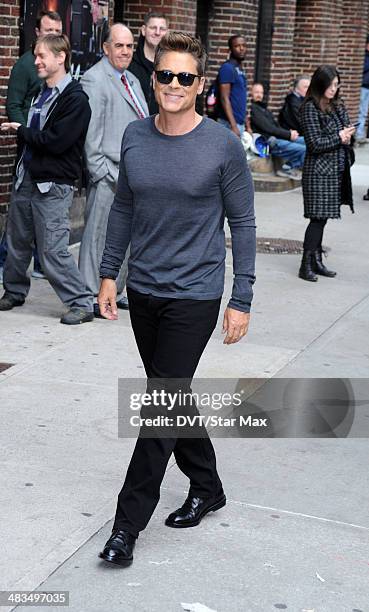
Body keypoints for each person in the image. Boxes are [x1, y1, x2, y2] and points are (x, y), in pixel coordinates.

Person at [97, 31, 256, 567]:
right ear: (154, 78)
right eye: (165, 75)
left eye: (185, 77)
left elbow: (244, 223)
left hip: (196, 293)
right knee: (175, 397)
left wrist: (242, 296)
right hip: (144, 290)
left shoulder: (221, 145)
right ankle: (208, 486)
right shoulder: (136, 138)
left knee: (158, 408)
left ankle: (126, 526)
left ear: (200, 84)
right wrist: (108, 274)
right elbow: (123, 208)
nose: (173, 84)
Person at [0, 34, 94, 325]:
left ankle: (81, 302)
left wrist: (21, 130)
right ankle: (14, 291)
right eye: (36, 55)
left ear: (60, 57)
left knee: (52, 248)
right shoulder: (41, 93)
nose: (36, 61)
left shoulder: (76, 100)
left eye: (41, 56)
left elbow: (56, 141)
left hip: (52, 185)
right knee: (16, 241)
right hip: (27, 177)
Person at [79, 23, 148, 317]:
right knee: (97, 237)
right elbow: (91, 133)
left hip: (130, 175)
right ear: (106, 48)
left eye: (130, 46)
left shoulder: (131, 79)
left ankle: (114, 291)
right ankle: (88, 295)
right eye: (119, 45)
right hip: (108, 173)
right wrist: (100, 171)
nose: (126, 51)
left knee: (123, 238)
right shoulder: (95, 79)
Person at [3, 10, 63, 281]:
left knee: (40, 206)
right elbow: (13, 105)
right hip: (30, 145)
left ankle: (40, 264)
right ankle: (7, 262)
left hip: (49, 145)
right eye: (47, 30)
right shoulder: (26, 65)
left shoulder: (61, 65)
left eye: (57, 31)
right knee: (22, 208)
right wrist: (25, 132)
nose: (52, 35)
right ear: (37, 32)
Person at [298, 65, 355, 282]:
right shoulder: (310, 108)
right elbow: (314, 143)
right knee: (317, 219)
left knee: (323, 218)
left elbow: (344, 130)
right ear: (321, 84)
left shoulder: (336, 105)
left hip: (336, 171)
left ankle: (317, 260)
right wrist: (339, 137)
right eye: (331, 85)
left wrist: (348, 134)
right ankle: (306, 264)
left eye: (336, 84)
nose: (334, 89)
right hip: (318, 172)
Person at [250, 82, 306, 179]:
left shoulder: (263, 108)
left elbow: (276, 126)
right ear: (250, 94)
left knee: (308, 141)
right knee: (305, 149)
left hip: (278, 137)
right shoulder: (252, 109)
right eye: (256, 92)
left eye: (261, 93)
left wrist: (290, 133)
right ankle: (287, 168)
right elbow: (268, 128)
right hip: (268, 142)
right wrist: (288, 134)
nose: (259, 95)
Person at [129, 11, 168, 114]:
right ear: (143, 30)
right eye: (153, 28)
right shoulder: (129, 64)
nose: (157, 32)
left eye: (162, 29)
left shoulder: (171, 67)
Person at [217, 34, 248, 137]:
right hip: (228, 124)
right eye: (237, 46)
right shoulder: (227, 68)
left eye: (243, 45)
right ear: (230, 49)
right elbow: (224, 98)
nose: (241, 48)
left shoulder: (240, 69)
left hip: (240, 124)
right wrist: (233, 126)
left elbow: (242, 99)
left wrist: (248, 125)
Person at [356, 35, 369, 144]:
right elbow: (362, 69)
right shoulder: (364, 56)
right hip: (362, 87)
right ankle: (358, 134)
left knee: (364, 112)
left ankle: (360, 134)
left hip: (368, 87)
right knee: (360, 110)